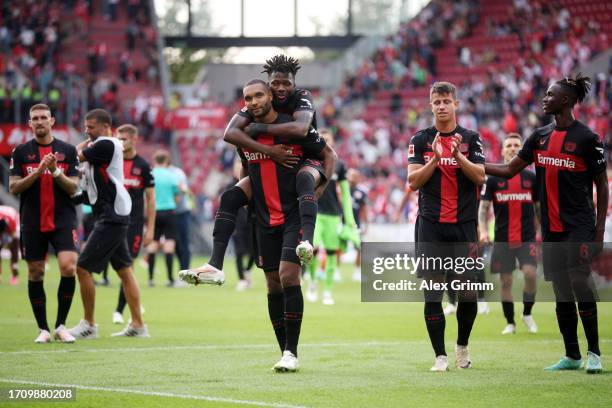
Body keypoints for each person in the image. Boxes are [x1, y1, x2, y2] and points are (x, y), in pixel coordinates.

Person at [181, 80, 332, 372]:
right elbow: (246, 165)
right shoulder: (244, 132)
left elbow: (328, 154)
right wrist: (248, 195)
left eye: (258, 95)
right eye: (247, 98)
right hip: (264, 216)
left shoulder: (294, 128)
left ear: (271, 98)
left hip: (292, 215)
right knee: (272, 283)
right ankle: (215, 266)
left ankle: (292, 351)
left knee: (289, 277)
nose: (252, 101)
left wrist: (320, 185)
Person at [484, 74, 607, 374]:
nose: (544, 98)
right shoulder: (539, 137)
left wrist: (599, 232)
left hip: (578, 227)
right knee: (562, 290)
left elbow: (602, 187)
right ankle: (572, 355)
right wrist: (470, 163)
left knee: (581, 283)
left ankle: (595, 353)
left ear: (565, 100)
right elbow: (510, 168)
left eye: (550, 94)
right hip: (551, 229)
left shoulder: (588, 139)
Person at [182, 55, 336, 283]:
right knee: (230, 196)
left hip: (305, 159)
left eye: (287, 83)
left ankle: (307, 242)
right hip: (272, 166)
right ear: (269, 86)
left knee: (304, 179)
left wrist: (259, 127)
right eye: (276, 83)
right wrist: (268, 153)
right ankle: (214, 265)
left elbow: (303, 130)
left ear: (294, 83)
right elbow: (230, 134)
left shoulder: (302, 97)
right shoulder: (257, 102)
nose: (282, 88)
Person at [407, 81, 486, 371]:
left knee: (468, 293)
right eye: (436, 102)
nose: (441, 106)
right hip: (430, 227)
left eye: (446, 101)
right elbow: (413, 181)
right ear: (430, 105)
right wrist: (437, 160)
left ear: (456, 104)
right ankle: (439, 356)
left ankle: (462, 345)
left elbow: (480, 177)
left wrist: (457, 156)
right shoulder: (419, 140)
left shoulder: (471, 138)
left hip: (464, 227)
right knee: (433, 292)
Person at [68, 108, 148, 338]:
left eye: (90, 127)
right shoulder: (101, 145)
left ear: (104, 127)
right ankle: (138, 325)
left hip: (111, 215)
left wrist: (84, 143)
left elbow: (73, 155)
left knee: (82, 268)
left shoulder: (106, 144)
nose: (87, 130)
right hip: (111, 213)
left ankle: (89, 325)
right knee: (125, 270)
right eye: (85, 126)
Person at [9, 103, 80, 343]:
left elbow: (74, 188)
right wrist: (38, 172)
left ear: (52, 121)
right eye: (35, 118)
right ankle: (43, 329)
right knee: (35, 271)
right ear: (29, 123)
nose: (39, 122)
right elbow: (14, 187)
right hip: (32, 219)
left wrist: (56, 172)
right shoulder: (20, 152)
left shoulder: (67, 151)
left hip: (63, 219)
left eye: (43, 117)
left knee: (69, 267)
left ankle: (61, 325)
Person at [479, 133, 539, 335]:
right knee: (506, 282)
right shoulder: (494, 179)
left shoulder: (532, 178)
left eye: (516, 145)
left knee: (530, 275)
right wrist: (483, 231)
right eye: (509, 145)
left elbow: (539, 210)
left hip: (526, 238)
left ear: (521, 149)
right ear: (503, 150)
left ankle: (527, 313)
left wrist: (540, 231)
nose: (513, 148)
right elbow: (483, 208)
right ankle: (511, 322)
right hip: (502, 239)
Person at [306, 129, 359, 305]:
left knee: (330, 253)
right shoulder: (311, 162)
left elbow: (345, 194)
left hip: (333, 216)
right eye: (321, 139)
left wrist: (349, 220)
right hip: (314, 214)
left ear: (333, 142)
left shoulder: (340, 165)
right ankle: (313, 282)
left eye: (327, 139)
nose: (325, 142)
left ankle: (327, 292)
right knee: (312, 249)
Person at [112, 124, 155, 324]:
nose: (120, 142)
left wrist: (150, 229)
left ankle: (119, 310)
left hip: (134, 226)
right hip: (111, 223)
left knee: (128, 267)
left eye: (124, 139)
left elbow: (150, 199)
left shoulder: (143, 166)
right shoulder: (112, 163)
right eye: (118, 138)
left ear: (134, 139)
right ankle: (132, 301)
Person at [147, 150, 182, 287]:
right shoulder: (172, 175)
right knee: (169, 244)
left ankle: (150, 279)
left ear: (155, 161)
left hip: (154, 212)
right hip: (169, 211)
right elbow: (178, 196)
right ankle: (169, 279)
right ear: (167, 161)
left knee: (153, 244)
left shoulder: (150, 174)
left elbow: (147, 196)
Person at [347, 168, 368, 282]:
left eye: (355, 176)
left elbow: (364, 209)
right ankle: (335, 271)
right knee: (336, 248)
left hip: (356, 224)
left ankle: (356, 271)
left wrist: (366, 225)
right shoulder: (342, 189)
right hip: (342, 222)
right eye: (351, 175)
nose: (353, 178)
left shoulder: (361, 192)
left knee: (359, 247)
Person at [0, 205, 20, 285]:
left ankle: (14, 276)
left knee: (14, 253)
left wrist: (9, 245)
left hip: (14, 221)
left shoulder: (12, 223)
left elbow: (14, 238)